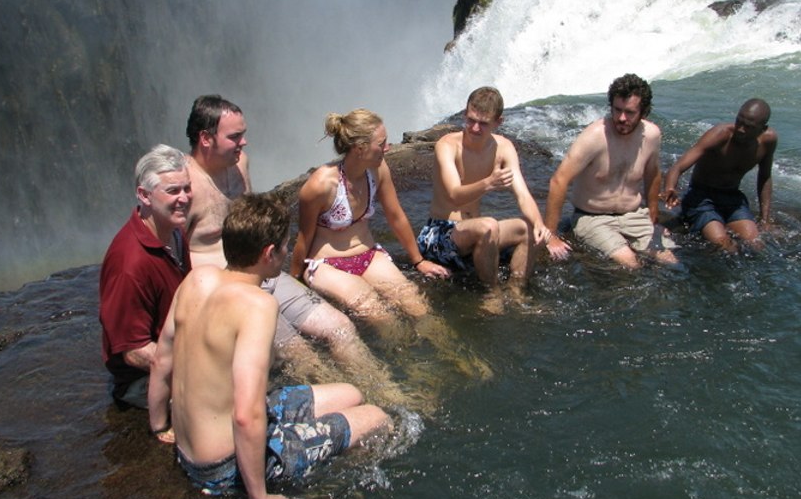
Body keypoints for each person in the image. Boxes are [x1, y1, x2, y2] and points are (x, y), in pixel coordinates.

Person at [148, 193, 392, 499]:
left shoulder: (197, 279)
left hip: (191, 447)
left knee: (351, 393)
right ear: (268, 253)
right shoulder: (258, 305)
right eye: (284, 246)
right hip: (224, 466)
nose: (287, 252)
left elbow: (161, 359)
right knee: (378, 419)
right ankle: (339, 497)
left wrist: (159, 427)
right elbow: (246, 413)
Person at [184, 95, 407, 402]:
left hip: (266, 271)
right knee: (300, 352)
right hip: (225, 288)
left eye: (243, 134)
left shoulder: (240, 164)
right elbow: (169, 254)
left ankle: (392, 395)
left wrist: (294, 271)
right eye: (235, 136)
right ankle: (349, 400)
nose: (244, 142)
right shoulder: (183, 187)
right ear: (205, 138)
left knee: (341, 327)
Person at [291, 109, 449, 322]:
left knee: (418, 306)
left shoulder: (378, 170)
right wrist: (295, 284)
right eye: (381, 143)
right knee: (380, 315)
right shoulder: (320, 185)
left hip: (369, 255)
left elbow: (396, 216)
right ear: (360, 148)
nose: (388, 147)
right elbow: (303, 238)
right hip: (327, 265)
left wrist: (419, 261)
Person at [417, 86, 549, 308]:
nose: (475, 128)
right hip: (440, 233)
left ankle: (516, 290)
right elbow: (454, 195)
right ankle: (491, 292)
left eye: (483, 123)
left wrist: (539, 224)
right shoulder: (447, 146)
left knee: (528, 229)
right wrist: (488, 183)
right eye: (470, 120)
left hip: (476, 231)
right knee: (488, 226)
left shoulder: (504, 147)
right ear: (464, 114)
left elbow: (523, 195)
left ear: (498, 122)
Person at [543, 74, 679, 269]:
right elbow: (559, 180)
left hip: (633, 214)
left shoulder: (652, 135)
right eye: (617, 110)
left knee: (670, 262)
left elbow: (653, 174)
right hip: (592, 217)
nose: (621, 118)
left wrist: (653, 218)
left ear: (643, 112)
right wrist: (551, 236)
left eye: (629, 112)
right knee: (629, 264)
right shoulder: (595, 136)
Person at [99, 144, 192, 408]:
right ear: (144, 195)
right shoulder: (129, 264)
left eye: (187, 188)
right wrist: (200, 366)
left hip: (178, 346)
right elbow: (134, 351)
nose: (184, 198)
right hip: (142, 379)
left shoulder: (173, 230)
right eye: (173, 191)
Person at [662, 98, 777, 252]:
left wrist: (765, 219)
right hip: (701, 198)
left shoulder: (768, 141)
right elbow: (678, 166)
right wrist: (670, 188)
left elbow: (765, 177)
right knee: (723, 244)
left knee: (756, 244)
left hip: (732, 198)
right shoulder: (720, 135)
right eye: (739, 122)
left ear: (763, 128)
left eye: (749, 127)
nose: (741, 129)